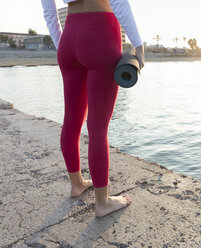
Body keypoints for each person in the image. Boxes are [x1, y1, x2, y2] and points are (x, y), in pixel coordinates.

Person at [41, 0, 145, 217]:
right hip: (101, 32)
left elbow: (49, 12)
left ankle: (77, 184)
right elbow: (118, 1)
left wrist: (64, 46)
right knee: (98, 127)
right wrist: (138, 44)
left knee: (71, 120)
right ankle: (102, 202)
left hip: (69, 35)